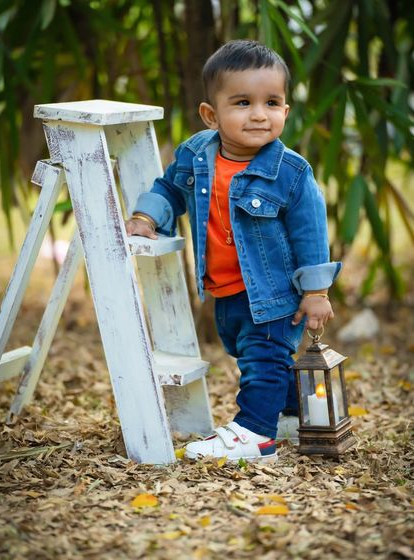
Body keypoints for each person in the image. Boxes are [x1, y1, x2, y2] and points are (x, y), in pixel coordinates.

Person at [125, 40, 341, 463]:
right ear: (212, 114)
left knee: (264, 358)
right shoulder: (195, 154)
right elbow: (169, 188)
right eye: (243, 102)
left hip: (273, 294)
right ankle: (290, 416)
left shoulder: (290, 171)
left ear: (285, 111)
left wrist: (316, 291)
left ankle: (255, 435)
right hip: (225, 292)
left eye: (272, 102)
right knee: (250, 354)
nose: (259, 114)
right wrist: (147, 218)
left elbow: (310, 231)